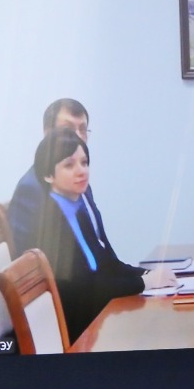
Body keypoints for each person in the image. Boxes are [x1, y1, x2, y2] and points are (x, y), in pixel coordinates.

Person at [28, 127, 146, 342]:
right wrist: (143, 283)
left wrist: (146, 274)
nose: (81, 171)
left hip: (95, 317)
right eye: (69, 165)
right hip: (78, 330)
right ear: (47, 175)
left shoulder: (77, 208)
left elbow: (106, 264)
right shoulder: (49, 223)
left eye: (84, 163)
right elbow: (85, 289)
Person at [7, 98, 109, 256]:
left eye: (83, 130)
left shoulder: (80, 179)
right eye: (68, 129)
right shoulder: (32, 189)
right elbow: (33, 259)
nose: (78, 137)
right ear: (47, 134)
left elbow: (100, 243)